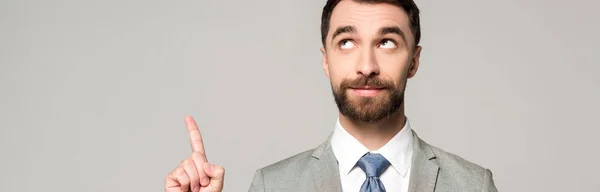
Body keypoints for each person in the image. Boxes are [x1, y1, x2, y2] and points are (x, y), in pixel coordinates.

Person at [165, 0, 499, 191]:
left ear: (414, 60)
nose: (366, 66)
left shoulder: (473, 185)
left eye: (386, 42)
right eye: (347, 42)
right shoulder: (273, 186)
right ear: (326, 60)